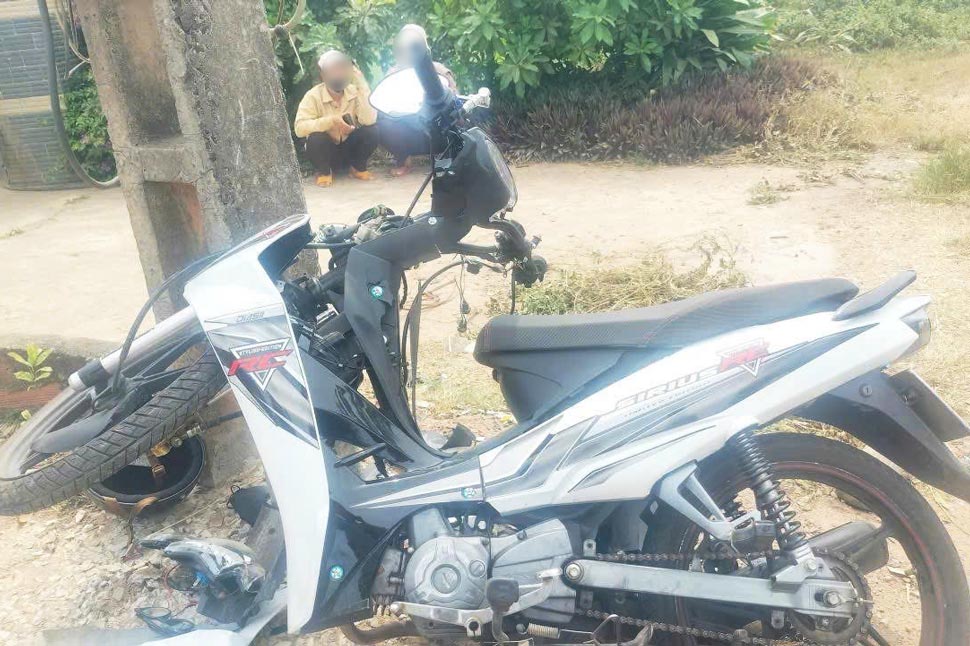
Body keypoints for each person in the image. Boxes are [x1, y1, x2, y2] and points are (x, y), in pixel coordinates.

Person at [380, 25, 457, 177]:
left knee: (455, 115)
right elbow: (384, 104)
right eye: (403, 47)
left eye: (413, 47)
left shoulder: (438, 70)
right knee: (383, 122)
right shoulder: (392, 74)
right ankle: (403, 160)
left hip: (436, 128)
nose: (408, 52)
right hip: (407, 129)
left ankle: (447, 159)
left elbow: (454, 99)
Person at [294, 49, 379, 188]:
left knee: (372, 131)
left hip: (349, 149)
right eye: (333, 71)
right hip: (327, 152)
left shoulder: (354, 90)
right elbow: (299, 128)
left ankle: (357, 168)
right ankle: (325, 172)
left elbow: (369, 120)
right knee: (316, 138)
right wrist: (330, 121)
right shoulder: (313, 96)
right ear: (323, 75)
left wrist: (361, 83)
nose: (338, 74)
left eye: (342, 69)